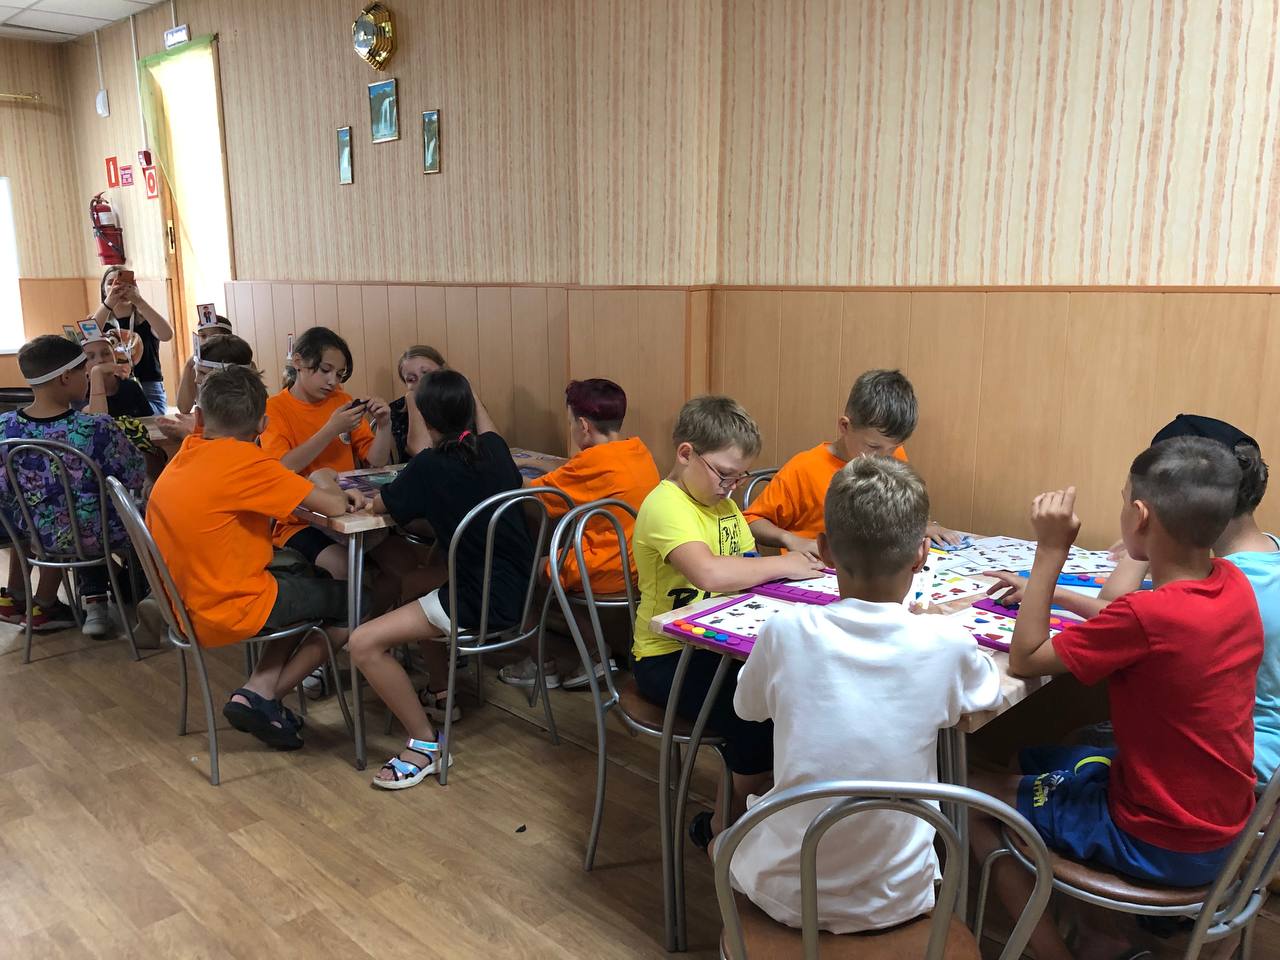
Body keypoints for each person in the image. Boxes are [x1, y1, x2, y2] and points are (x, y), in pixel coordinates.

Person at [971, 438, 1262, 960]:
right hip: (1226, 828)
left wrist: (1050, 553)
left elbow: (1026, 658)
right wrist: (1057, 595)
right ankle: (1106, 934)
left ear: (1140, 516)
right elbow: (1131, 622)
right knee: (1031, 759)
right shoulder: (1233, 583)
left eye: (1124, 501)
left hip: (1159, 840)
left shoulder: (1147, 616)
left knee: (969, 794)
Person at [723, 456, 1001, 932]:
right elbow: (986, 693)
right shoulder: (947, 644)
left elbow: (746, 709)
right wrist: (933, 630)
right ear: (921, 554)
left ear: (825, 551)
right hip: (901, 896)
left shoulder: (784, 631)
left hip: (786, 890)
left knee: (725, 842)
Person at [631, 396, 824, 839]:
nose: (731, 487)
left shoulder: (722, 505)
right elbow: (711, 573)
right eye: (724, 474)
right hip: (666, 657)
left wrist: (784, 559)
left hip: (720, 645)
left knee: (790, 696)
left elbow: (746, 563)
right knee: (757, 715)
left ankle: (751, 817)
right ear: (686, 454)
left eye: (740, 478)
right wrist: (785, 561)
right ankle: (724, 828)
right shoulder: (667, 504)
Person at [147, 365, 363, 750]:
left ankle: (260, 689)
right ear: (263, 424)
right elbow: (333, 506)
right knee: (355, 600)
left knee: (303, 574)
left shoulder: (189, 449)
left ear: (200, 418)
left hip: (183, 599)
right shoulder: (248, 464)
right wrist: (323, 477)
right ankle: (262, 696)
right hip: (228, 606)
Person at [347, 369, 533, 789]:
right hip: (522, 589)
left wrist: (358, 497)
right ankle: (440, 691)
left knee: (363, 643)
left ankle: (425, 744)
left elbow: (381, 505)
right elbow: (484, 427)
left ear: (426, 418)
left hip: (478, 599)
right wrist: (464, 389)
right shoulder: (496, 449)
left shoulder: (429, 466)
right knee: (414, 584)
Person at [499, 378, 660, 691]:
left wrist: (511, 466)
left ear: (584, 425)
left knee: (528, 572)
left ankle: (547, 662)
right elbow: (579, 476)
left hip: (609, 568)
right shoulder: (637, 451)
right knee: (556, 567)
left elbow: (534, 494)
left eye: (571, 422)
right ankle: (596, 651)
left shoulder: (590, 463)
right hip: (642, 563)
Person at [0, 335, 145, 638]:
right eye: (83, 371)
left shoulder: (5, 428)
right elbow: (134, 475)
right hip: (93, 535)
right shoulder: (95, 428)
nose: (87, 377)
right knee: (145, 505)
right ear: (66, 377)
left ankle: (41, 601)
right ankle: (152, 598)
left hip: (31, 534)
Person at [743, 369, 961, 557]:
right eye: (873, 447)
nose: (882, 458)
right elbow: (752, 521)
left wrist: (922, 525)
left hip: (876, 568)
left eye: (893, 448)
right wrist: (790, 540)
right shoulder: (804, 468)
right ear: (845, 426)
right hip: (820, 572)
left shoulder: (893, 457)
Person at [260, 326, 392, 580]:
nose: (333, 381)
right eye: (325, 370)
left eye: (339, 374)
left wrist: (384, 425)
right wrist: (331, 429)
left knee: (401, 561)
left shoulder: (341, 401)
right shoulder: (275, 408)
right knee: (344, 568)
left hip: (349, 512)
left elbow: (376, 461)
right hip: (298, 521)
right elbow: (282, 467)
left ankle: (376, 607)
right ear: (298, 362)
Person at [91, 267, 174, 414]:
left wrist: (138, 300)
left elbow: (167, 335)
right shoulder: (100, 320)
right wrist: (109, 303)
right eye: (111, 283)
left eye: (125, 283)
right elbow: (88, 337)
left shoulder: (146, 317)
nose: (119, 287)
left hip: (148, 387)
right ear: (103, 291)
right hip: (112, 386)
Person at [157, 334, 255, 442]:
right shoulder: (220, 406)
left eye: (203, 373)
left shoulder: (246, 411)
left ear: (228, 375)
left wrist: (188, 436)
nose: (196, 380)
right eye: (197, 372)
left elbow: (226, 449)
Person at [388, 345, 446, 463]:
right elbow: (422, 453)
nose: (421, 383)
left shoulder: (459, 398)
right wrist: (412, 401)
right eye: (411, 379)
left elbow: (486, 447)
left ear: (443, 371)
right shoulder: (398, 410)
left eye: (426, 373)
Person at [175, 311, 235, 415]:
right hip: (207, 421)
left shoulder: (242, 363)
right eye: (203, 336)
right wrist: (188, 366)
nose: (207, 341)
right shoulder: (194, 368)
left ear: (227, 339)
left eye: (214, 337)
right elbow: (184, 408)